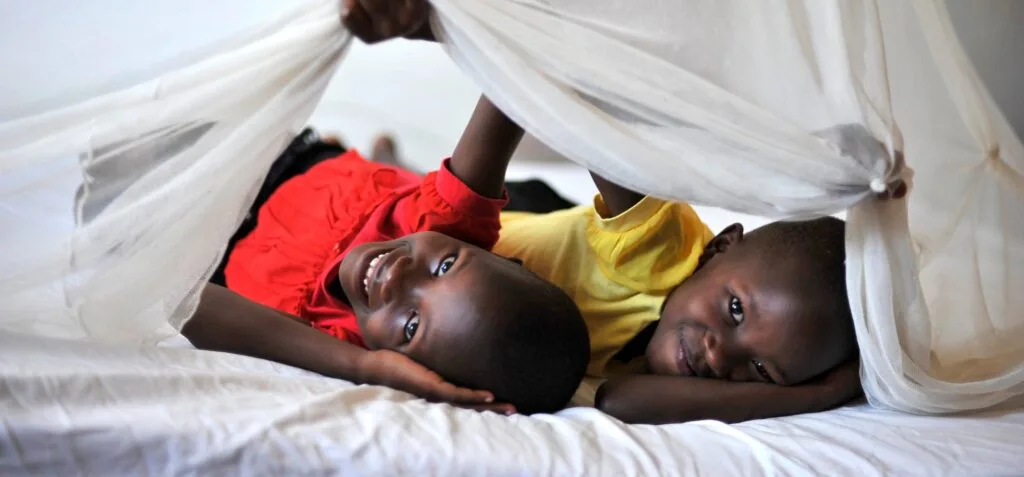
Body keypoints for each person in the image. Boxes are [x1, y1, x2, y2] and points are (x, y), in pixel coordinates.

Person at [338, 0, 908, 424]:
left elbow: (620, 400)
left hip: (560, 241)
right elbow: (582, 92)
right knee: (425, 203)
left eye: (759, 370)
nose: (719, 354)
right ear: (717, 248)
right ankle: (390, 160)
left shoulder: (670, 372)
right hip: (519, 223)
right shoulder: (664, 247)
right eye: (734, 309)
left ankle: (395, 160)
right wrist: (440, 25)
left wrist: (813, 397)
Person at [183, 95, 591, 416]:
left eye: (411, 326)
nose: (396, 277)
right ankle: (385, 159)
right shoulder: (452, 223)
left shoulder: (341, 342)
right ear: (498, 257)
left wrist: (364, 367)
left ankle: (388, 159)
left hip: (207, 235)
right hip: (274, 160)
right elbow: (507, 91)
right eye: (445, 265)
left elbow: (188, 301)